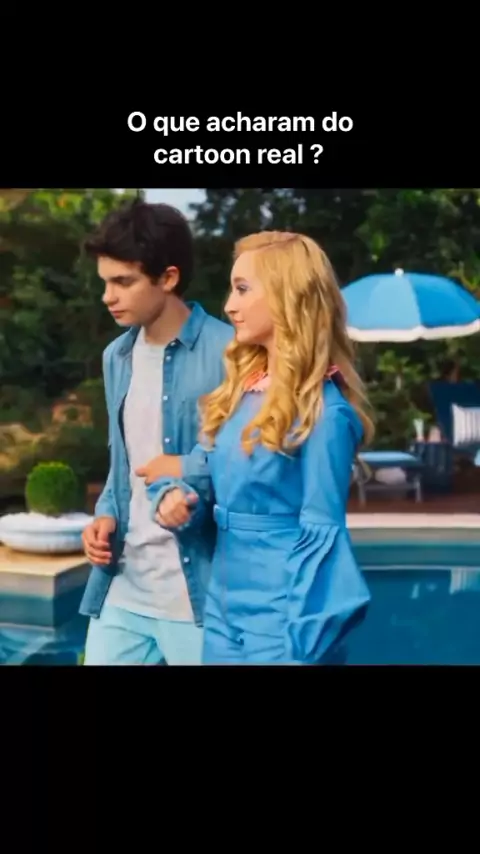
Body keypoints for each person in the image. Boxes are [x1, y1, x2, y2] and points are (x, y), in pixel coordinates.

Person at [147, 230, 375, 665]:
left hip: (283, 614)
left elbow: (322, 534)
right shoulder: (238, 394)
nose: (229, 306)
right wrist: (177, 498)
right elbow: (203, 476)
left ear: (288, 295)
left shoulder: (326, 414)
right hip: (221, 603)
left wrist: (303, 642)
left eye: (243, 289)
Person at [78, 199, 233, 665]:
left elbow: (247, 463)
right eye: (105, 282)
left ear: (168, 278)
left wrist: (189, 487)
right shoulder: (116, 357)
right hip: (123, 588)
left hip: (196, 594)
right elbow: (123, 463)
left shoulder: (230, 352)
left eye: (123, 282)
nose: (108, 296)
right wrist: (105, 514)